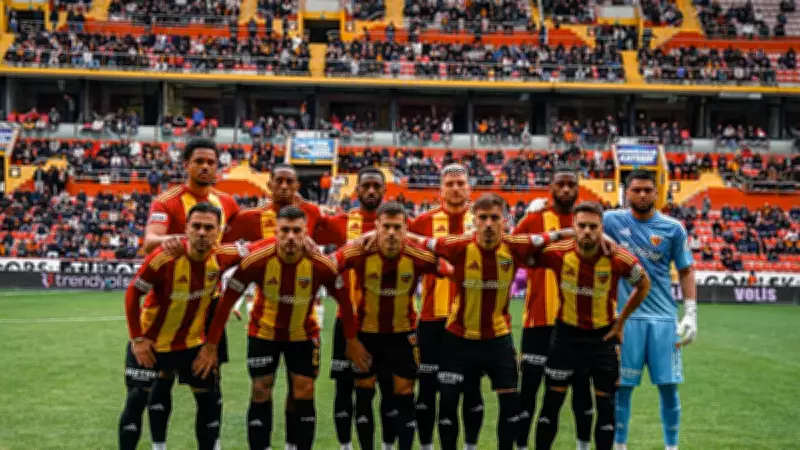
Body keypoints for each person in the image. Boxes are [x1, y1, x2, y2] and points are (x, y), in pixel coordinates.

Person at [199, 206, 369, 450]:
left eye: (297, 231)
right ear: (276, 232)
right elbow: (226, 303)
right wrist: (211, 345)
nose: (290, 236)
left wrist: (352, 341)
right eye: (285, 230)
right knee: (261, 389)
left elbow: (344, 301)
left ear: (305, 233)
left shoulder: (320, 265)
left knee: (304, 390)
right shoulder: (256, 261)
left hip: (303, 335)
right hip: (263, 333)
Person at [416, 194, 567, 450]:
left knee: (510, 405)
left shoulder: (516, 245)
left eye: (494, 218)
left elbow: (561, 235)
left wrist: (604, 240)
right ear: (474, 221)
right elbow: (417, 240)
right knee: (448, 404)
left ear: (505, 221)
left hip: (498, 338)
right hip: (458, 337)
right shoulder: (458, 245)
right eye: (483, 218)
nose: (488, 223)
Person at [118, 203, 246, 450]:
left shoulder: (223, 256)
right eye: (196, 226)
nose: (202, 232)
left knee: (209, 399)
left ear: (218, 231)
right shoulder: (164, 257)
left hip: (192, 345)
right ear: (186, 228)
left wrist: (305, 242)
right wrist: (137, 339)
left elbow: (260, 247)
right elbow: (133, 293)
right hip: (152, 345)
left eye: (208, 227)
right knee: (135, 400)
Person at [142, 137, 240, 450]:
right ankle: (159, 445)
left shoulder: (228, 203)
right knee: (162, 376)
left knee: (210, 378)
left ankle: (212, 444)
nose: (205, 167)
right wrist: (183, 240)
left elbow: (236, 249)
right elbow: (149, 241)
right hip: (170, 303)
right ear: (187, 165)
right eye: (199, 161)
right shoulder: (167, 201)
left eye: (211, 162)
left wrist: (229, 292)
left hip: (209, 304)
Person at [332, 201, 452, 450]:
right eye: (385, 226)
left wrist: (420, 241)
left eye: (397, 227)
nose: (391, 233)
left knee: (404, 396)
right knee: (364, 395)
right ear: (376, 226)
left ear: (405, 229)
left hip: (402, 335)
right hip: (366, 335)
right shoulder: (359, 251)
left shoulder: (416, 254)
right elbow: (327, 264)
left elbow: (449, 268)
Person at [533, 201, 651, 450]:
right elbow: (522, 251)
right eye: (582, 226)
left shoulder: (618, 258)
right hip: (565, 338)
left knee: (606, 408)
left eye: (593, 227)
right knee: (551, 405)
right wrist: (560, 233)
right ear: (573, 226)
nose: (587, 231)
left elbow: (643, 284)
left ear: (601, 228)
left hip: (602, 339)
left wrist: (621, 322)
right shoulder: (558, 253)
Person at [222, 163, 325, 450]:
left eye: (289, 182)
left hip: (303, 320)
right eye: (278, 181)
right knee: (260, 388)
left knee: (300, 389)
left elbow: (337, 248)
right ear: (268, 185)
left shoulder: (314, 213)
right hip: (265, 319)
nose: (283, 186)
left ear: (297, 187)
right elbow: (221, 248)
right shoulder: (250, 218)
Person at [606, 171, 697, 450]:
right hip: (626, 320)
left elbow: (686, 270)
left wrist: (690, 313)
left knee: (669, 388)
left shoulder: (673, 228)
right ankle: (619, 446)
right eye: (636, 190)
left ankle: (672, 447)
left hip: (664, 320)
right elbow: (579, 224)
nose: (642, 194)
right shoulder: (611, 221)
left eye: (648, 190)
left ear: (657, 193)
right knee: (621, 389)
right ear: (627, 193)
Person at [313, 167, 401, 450]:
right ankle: (345, 446)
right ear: (357, 190)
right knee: (344, 387)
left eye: (376, 186)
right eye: (366, 186)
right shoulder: (341, 222)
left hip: (390, 324)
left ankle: (387, 445)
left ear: (385, 190)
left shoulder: (399, 224)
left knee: (388, 388)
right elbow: (307, 227)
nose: (371, 191)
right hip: (348, 320)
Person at [513, 167, 593, 450]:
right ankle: (522, 446)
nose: (566, 189)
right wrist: (524, 219)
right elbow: (511, 247)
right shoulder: (535, 218)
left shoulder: (588, 223)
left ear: (578, 189)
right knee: (528, 391)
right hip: (539, 320)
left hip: (579, 325)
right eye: (561, 184)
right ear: (551, 188)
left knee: (578, 391)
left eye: (572, 184)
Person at [406, 164, 484, 450]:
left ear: (469, 188)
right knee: (427, 389)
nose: (455, 188)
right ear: (440, 190)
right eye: (449, 184)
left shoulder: (483, 221)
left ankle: (470, 446)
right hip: (432, 319)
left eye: (460, 183)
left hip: (472, 319)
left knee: (470, 389)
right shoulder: (422, 222)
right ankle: (427, 446)